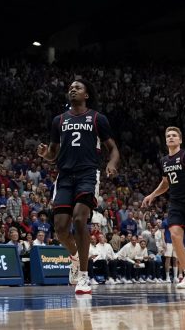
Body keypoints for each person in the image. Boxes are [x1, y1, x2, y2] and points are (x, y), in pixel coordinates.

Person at [38, 79, 120, 295]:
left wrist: (111, 164)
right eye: (70, 87)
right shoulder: (59, 120)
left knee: (79, 219)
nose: (72, 89)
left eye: (78, 87)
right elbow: (53, 154)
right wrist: (45, 154)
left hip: (87, 174)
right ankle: (74, 256)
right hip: (64, 176)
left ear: (87, 95)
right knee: (61, 228)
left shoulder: (96, 118)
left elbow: (113, 149)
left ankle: (84, 276)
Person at [141, 127, 185, 290]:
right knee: (175, 236)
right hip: (176, 204)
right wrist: (152, 195)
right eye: (168, 136)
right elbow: (166, 183)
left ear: (180, 140)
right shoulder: (164, 161)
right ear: (165, 140)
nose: (171, 137)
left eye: (174, 135)